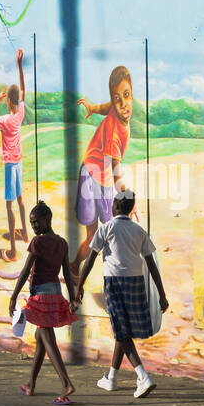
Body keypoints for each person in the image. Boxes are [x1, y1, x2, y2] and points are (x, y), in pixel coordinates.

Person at [76, 188, 168, 399]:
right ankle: (111, 377)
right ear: (130, 208)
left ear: (115, 205)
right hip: (136, 284)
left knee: (121, 330)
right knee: (122, 330)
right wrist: (162, 294)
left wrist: (79, 287)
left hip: (115, 284)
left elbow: (89, 260)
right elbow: (152, 265)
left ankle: (143, 376)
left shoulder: (106, 228)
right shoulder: (138, 231)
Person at [8, 201, 80, 403]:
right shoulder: (62, 243)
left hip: (41, 295)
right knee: (41, 339)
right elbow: (67, 272)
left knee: (48, 341)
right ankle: (30, 384)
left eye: (36, 222)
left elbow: (24, 271)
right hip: (55, 294)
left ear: (47, 220)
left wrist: (14, 296)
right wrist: (72, 298)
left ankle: (66, 384)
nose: (34, 226)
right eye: (31, 223)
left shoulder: (37, 243)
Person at [74, 65, 134, 270]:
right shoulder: (115, 135)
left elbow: (108, 106)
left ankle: (104, 277)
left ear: (132, 94)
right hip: (91, 175)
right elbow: (117, 175)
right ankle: (75, 267)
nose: (123, 103)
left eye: (126, 95)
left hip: (104, 178)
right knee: (95, 234)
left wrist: (93, 108)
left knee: (109, 233)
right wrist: (128, 200)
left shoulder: (116, 109)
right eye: (118, 99)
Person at [0, 49, 28, 260]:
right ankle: (25, 232)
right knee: (20, 200)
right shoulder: (20, 114)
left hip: (10, 165)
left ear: (7, 101)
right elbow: (22, 88)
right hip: (19, 162)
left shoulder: (4, 120)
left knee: (9, 205)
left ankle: (12, 250)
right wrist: (20, 65)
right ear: (18, 101)